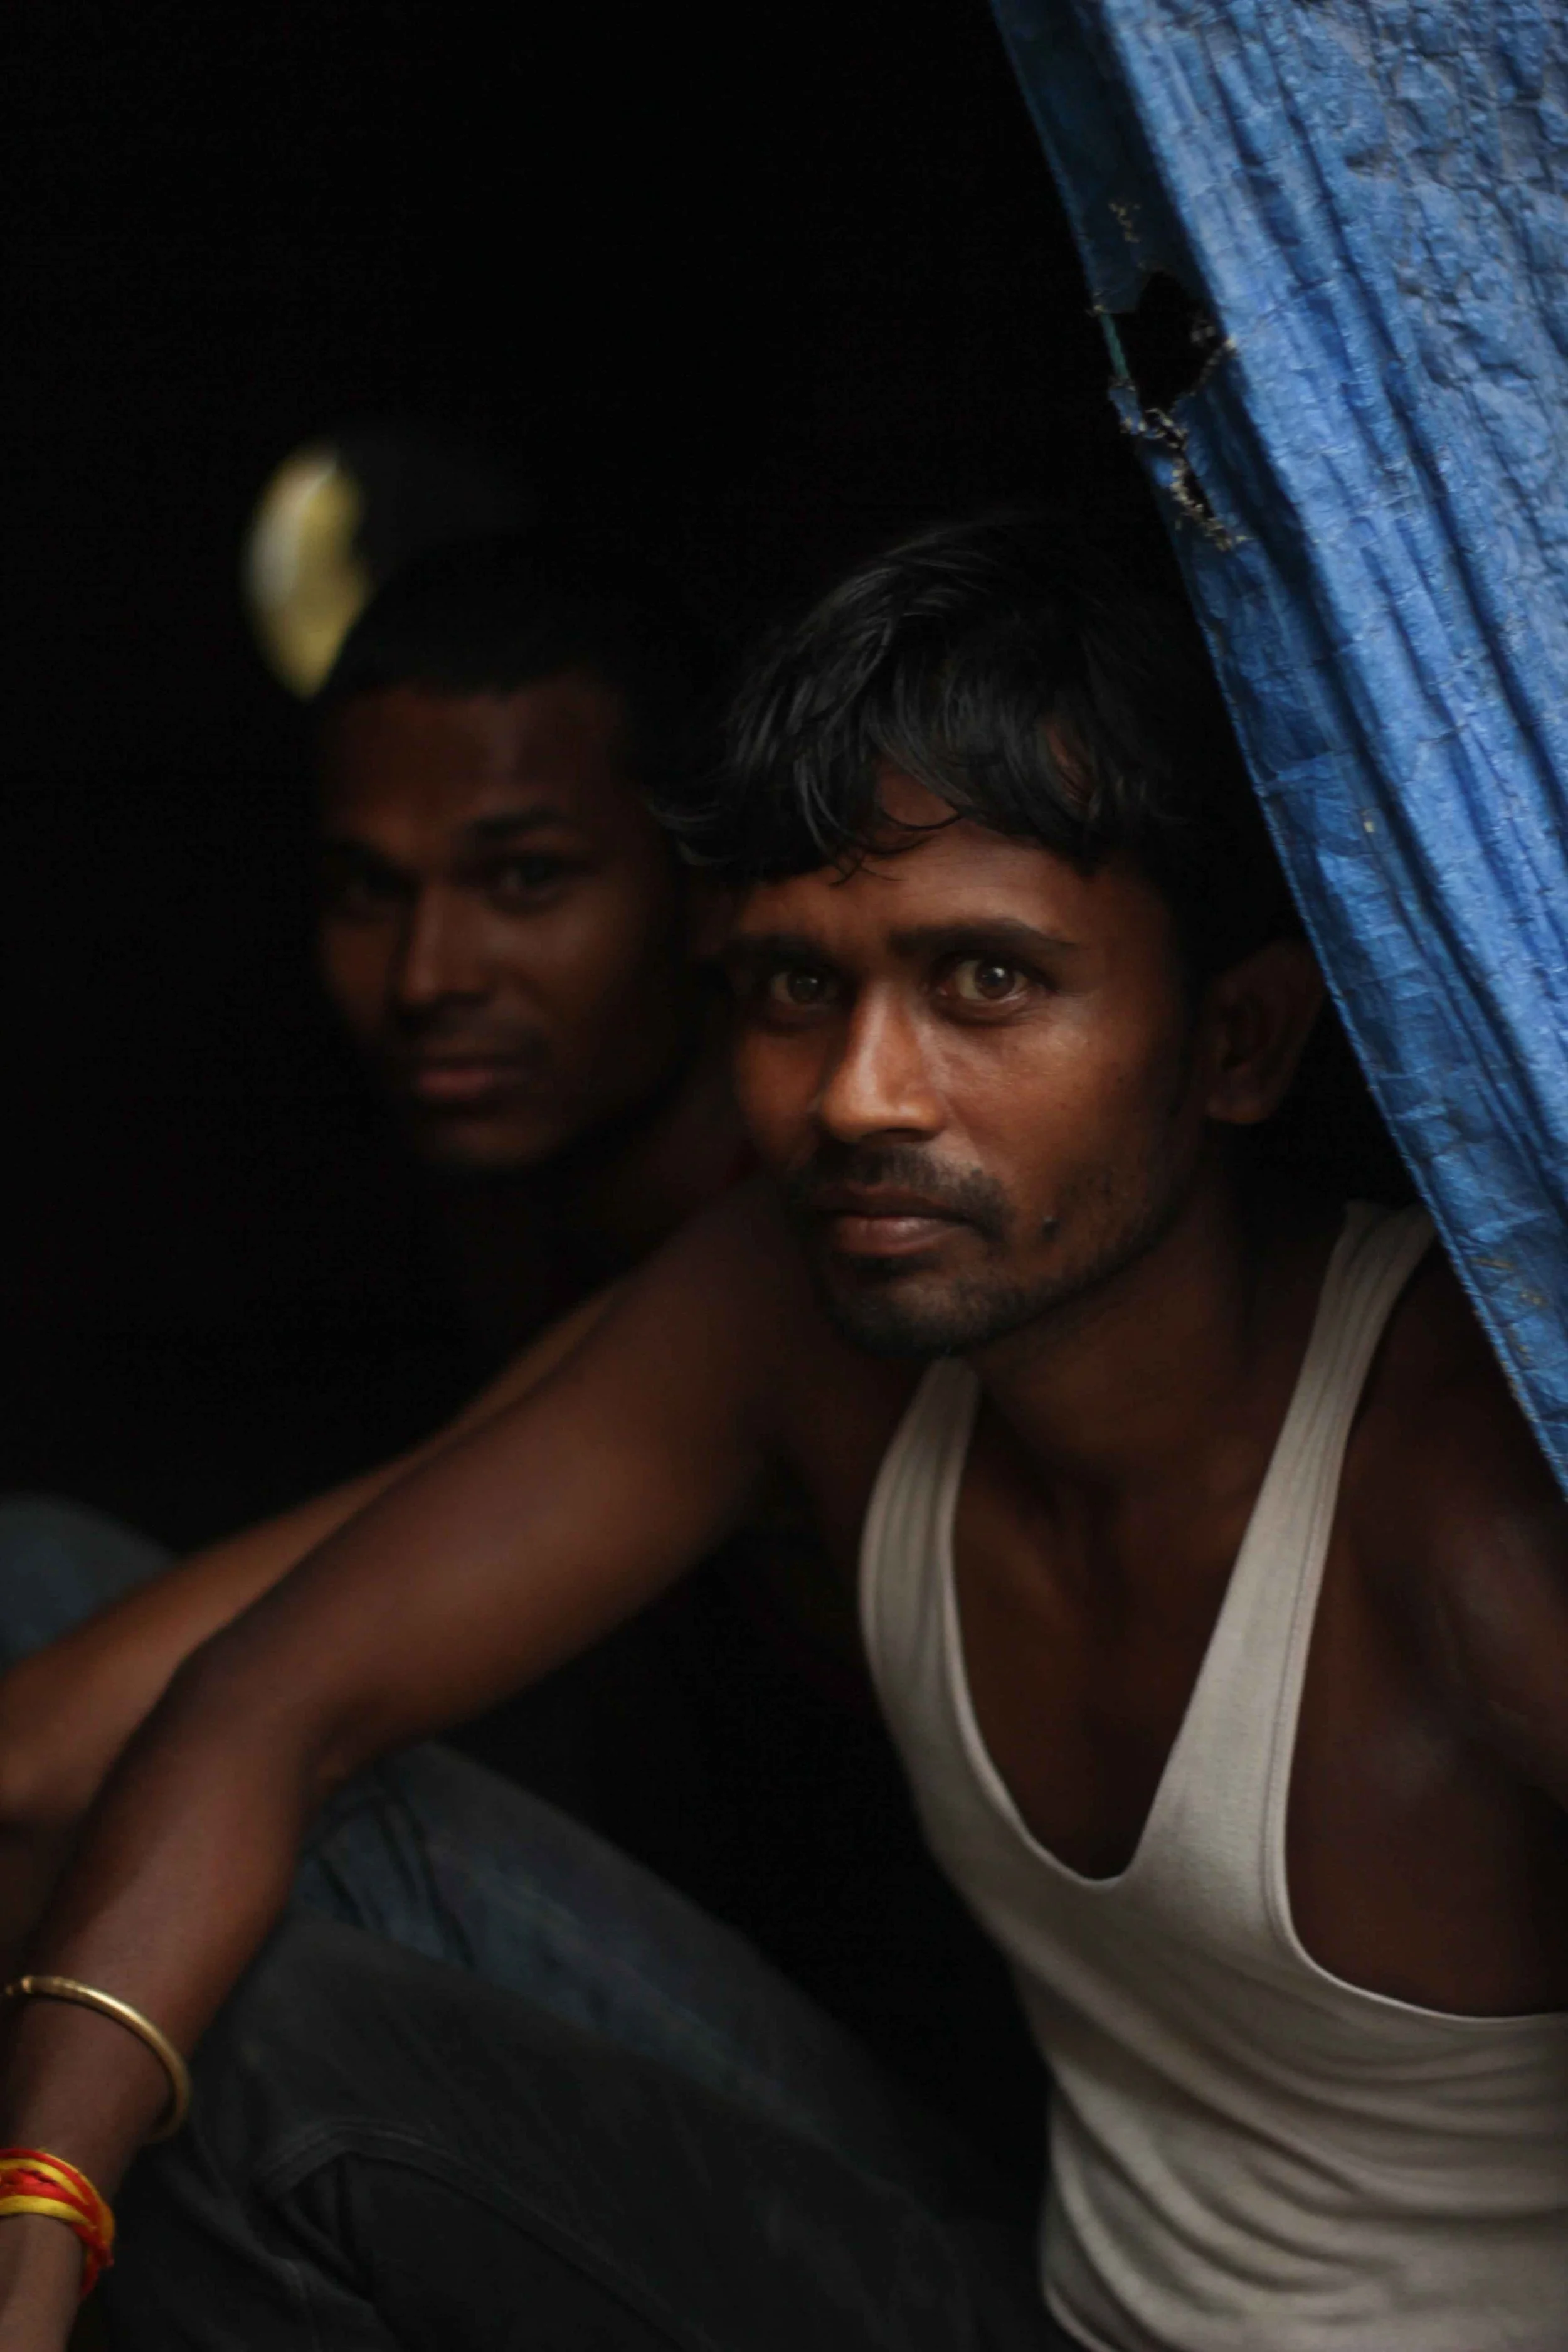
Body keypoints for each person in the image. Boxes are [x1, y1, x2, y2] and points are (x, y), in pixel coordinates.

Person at [3, 508, 1564, 2352]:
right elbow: (270, 1698)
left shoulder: (1453, 1486)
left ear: (1235, 1040)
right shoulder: (797, 1311)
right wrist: (33, 2226)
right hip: (1023, 2297)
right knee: (207, 1997)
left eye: (984, 979)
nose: (856, 1092)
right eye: (795, 986)